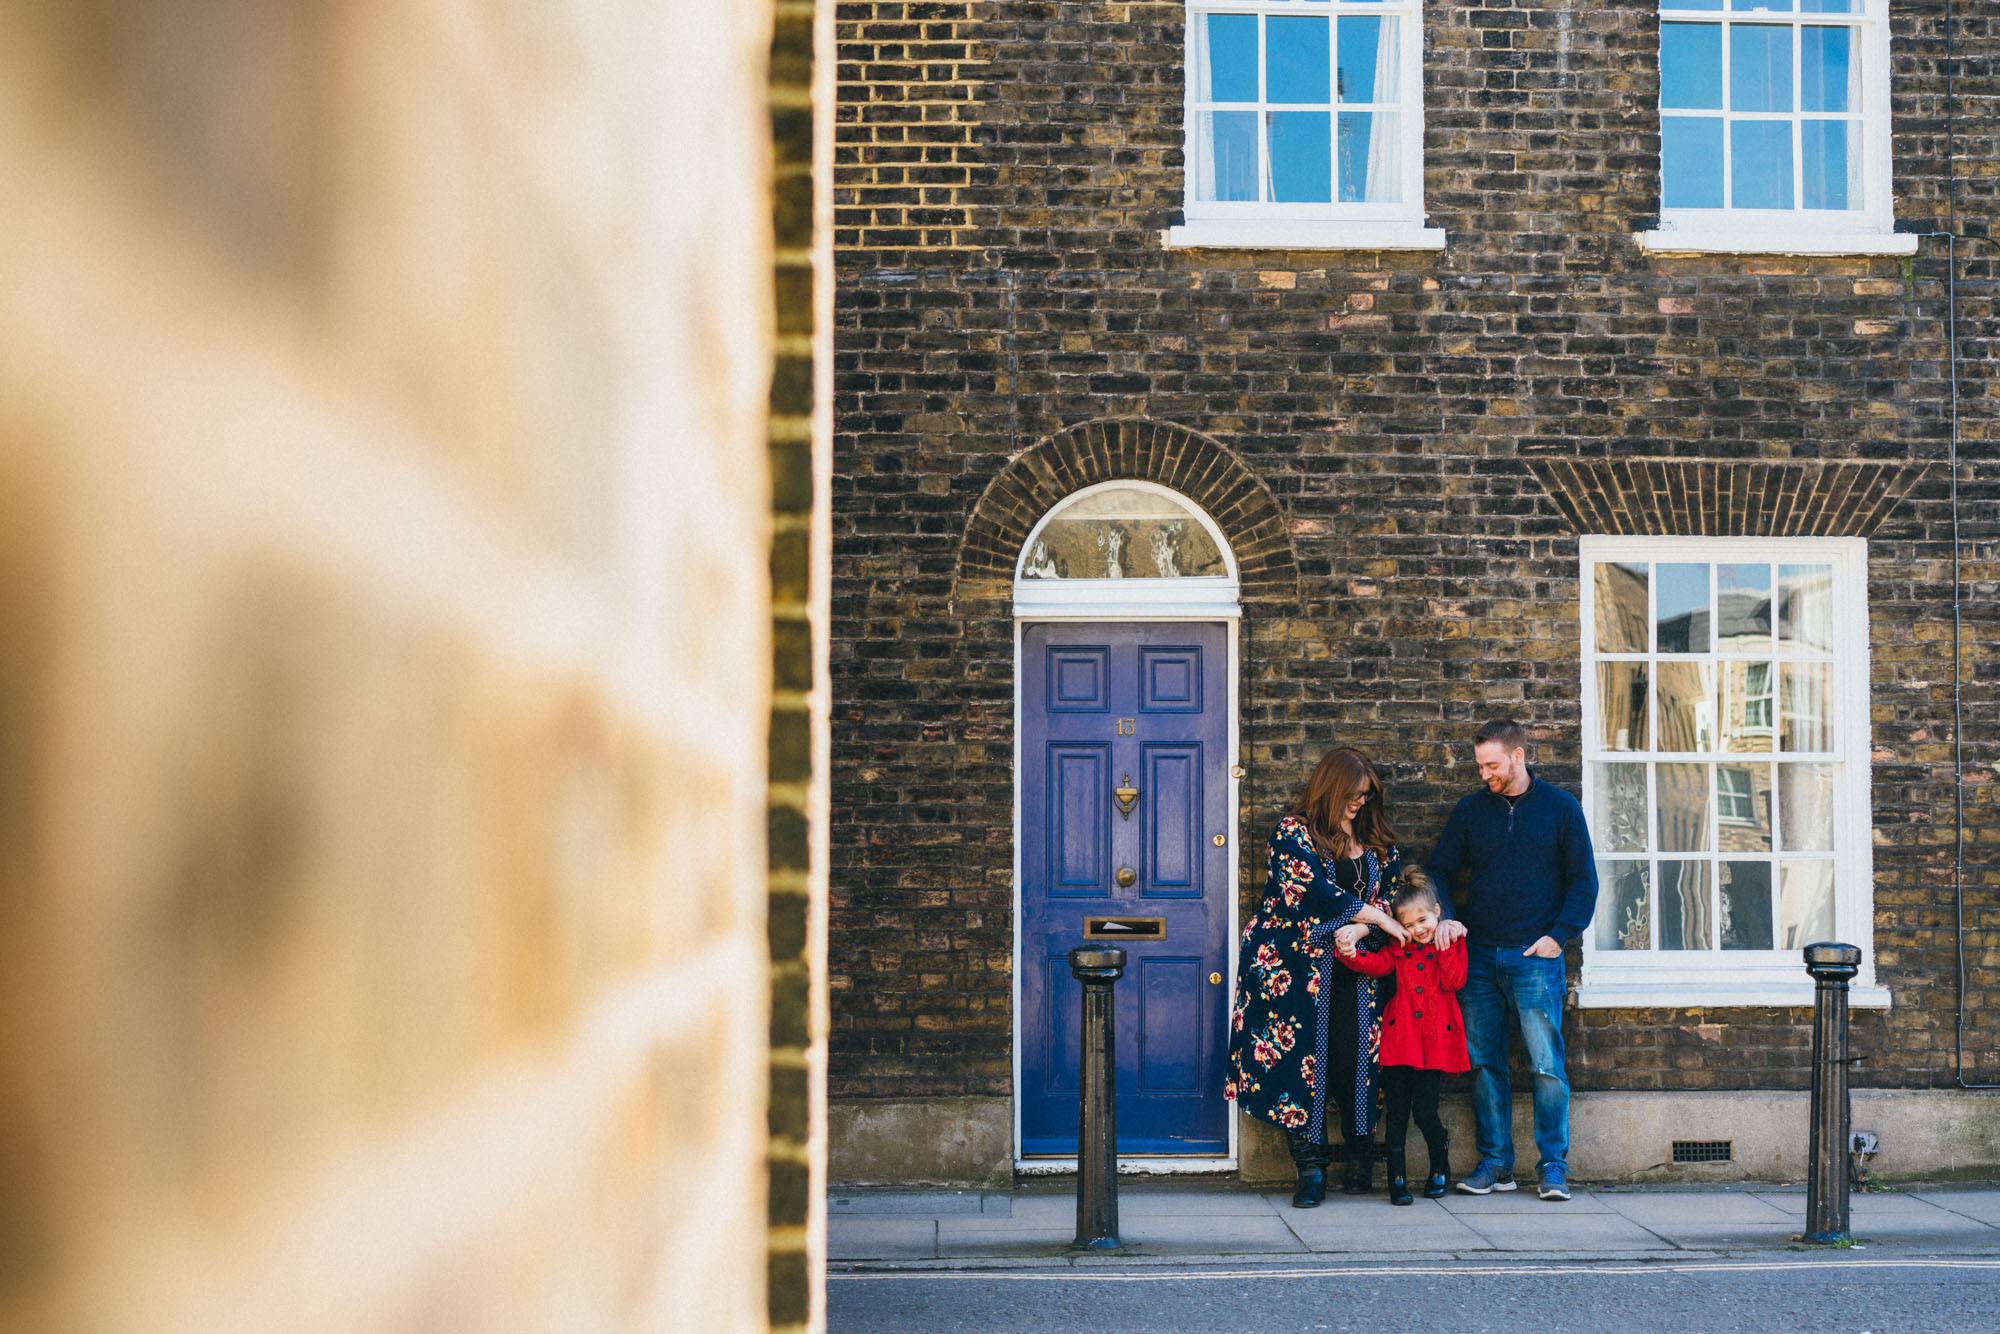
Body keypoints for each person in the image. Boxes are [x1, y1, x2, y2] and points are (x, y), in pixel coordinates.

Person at [1225, 747, 1412, 1208]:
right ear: (1330, 789)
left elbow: (1393, 896)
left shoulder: (1376, 839)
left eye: (1366, 796)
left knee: (1358, 1058)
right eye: (1352, 795)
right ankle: (1309, 1170)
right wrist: (1374, 918)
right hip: (1295, 969)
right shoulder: (1294, 832)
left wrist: (1365, 925)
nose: (1359, 804)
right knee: (1302, 1061)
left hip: (1360, 968)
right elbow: (1307, 892)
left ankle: (1361, 1161)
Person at [1425, 719, 1598, 1203]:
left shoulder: (1561, 808)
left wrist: (1558, 937)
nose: (1485, 774)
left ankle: (1553, 1167)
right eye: (1480, 766)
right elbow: (1438, 872)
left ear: (1519, 756)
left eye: (1493, 765)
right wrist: (1446, 918)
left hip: (1535, 958)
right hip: (1477, 954)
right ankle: (1496, 1164)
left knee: (1546, 1066)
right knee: (1484, 1063)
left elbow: (1584, 882)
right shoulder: (1469, 812)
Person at [1338, 871, 1467, 1205]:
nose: (1418, 929)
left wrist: (1449, 941)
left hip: (1434, 1043)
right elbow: (1375, 964)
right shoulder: (1398, 951)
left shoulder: (1448, 943)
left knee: (1426, 1112)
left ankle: (1440, 1166)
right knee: (1396, 1114)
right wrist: (1349, 952)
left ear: (1437, 911)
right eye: (1408, 925)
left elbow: (1454, 981)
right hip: (1400, 1043)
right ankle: (1397, 1179)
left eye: (1423, 920)